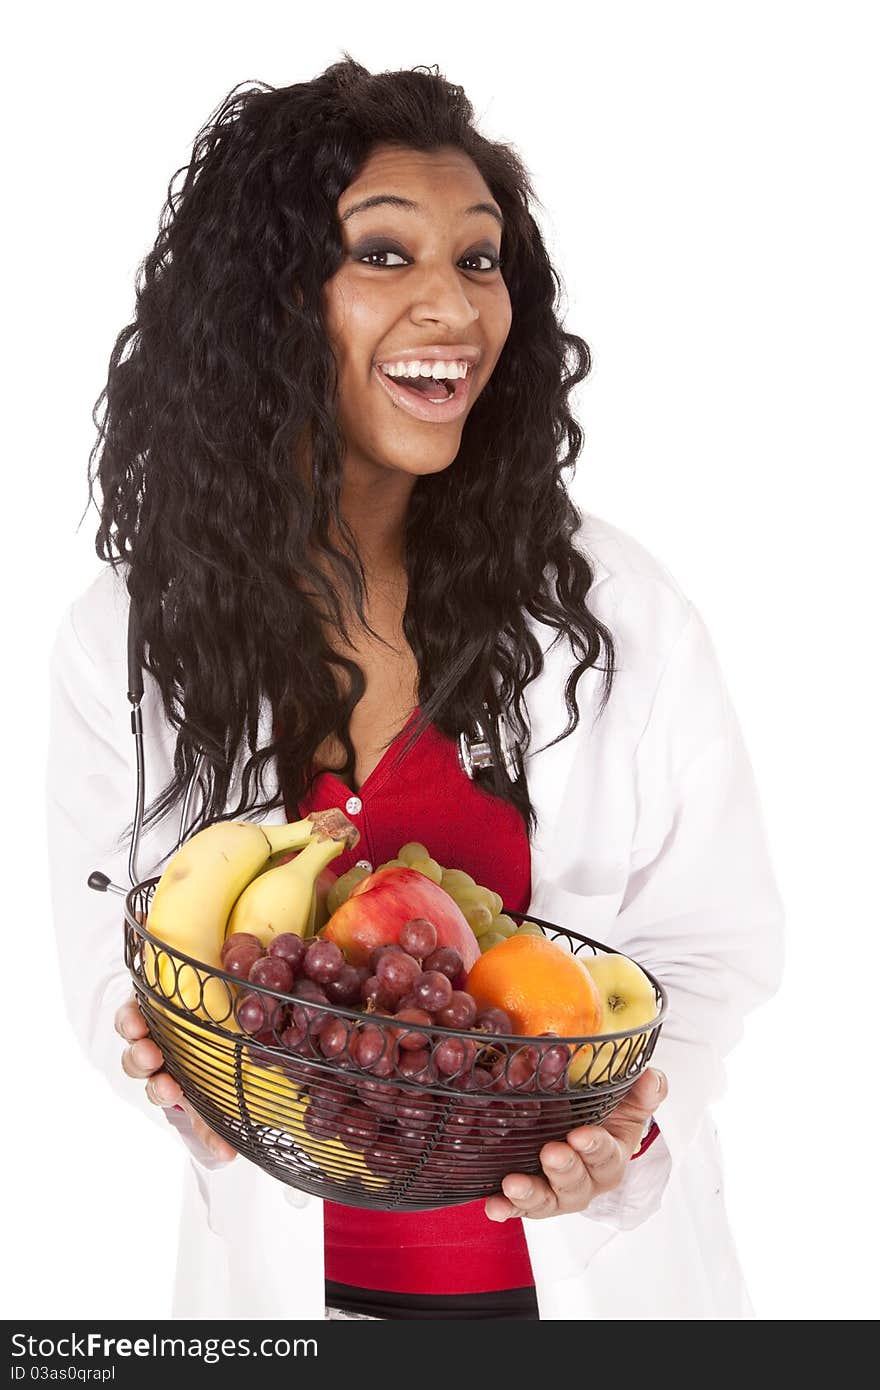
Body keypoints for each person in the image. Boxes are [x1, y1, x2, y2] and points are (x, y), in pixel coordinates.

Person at [45, 56, 784, 1321]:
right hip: (284, 1300)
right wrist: (159, 1064)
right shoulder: (127, 638)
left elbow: (716, 944)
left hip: (587, 1289)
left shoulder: (615, 609)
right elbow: (108, 961)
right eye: (383, 256)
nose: (452, 305)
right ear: (268, 304)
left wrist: (624, 1127)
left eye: (480, 259)